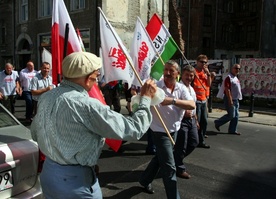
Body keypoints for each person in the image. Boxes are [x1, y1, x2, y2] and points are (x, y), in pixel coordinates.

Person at [30, 52, 157, 199]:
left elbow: (35, 132)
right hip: (74, 183)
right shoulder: (86, 104)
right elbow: (134, 129)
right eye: (96, 76)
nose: (97, 80)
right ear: (87, 78)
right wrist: (146, 98)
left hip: (49, 174)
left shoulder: (46, 96)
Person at [139, 60, 195, 199]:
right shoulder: (155, 87)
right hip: (159, 130)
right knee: (170, 167)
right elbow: (141, 100)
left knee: (160, 158)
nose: (167, 73)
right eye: (166, 70)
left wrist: (172, 100)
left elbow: (192, 104)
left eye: (171, 71)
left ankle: (145, 180)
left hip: (174, 129)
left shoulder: (181, 88)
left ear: (177, 74)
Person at [174, 65, 199, 179]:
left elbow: (194, 105)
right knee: (181, 145)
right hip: (182, 120)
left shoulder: (191, 89)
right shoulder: (177, 88)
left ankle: (175, 160)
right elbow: (172, 104)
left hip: (192, 120)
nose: (189, 77)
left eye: (191, 75)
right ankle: (179, 168)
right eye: (187, 75)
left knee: (194, 142)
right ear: (181, 75)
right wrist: (183, 113)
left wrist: (196, 119)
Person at [214, 64, 242, 135]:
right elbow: (227, 89)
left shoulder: (235, 78)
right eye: (236, 68)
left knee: (236, 116)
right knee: (231, 115)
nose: (237, 70)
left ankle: (232, 130)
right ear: (232, 68)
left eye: (239, 69)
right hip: (230, 98)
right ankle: (218, 122)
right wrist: (230, 100)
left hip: (236, 99)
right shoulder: (229, 77)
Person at [193, 54, 212, 148]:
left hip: (203, 100)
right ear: (197, 62)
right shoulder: (194, 71)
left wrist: (208, 74)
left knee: (204, 121)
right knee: (197, 121)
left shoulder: (205, 73)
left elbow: (208, 85)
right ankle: (195, 139)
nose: (203, 64)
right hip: (196, 100)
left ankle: (201, 139)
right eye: (202, 62)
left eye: (205, 62)